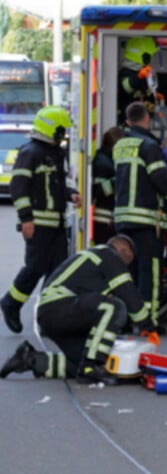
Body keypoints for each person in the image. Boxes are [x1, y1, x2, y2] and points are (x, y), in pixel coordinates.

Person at [0, 235, 157, 384]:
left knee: (79, 362)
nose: (125, 268)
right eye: (127, 263)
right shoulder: (109, 255)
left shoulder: (93, 258)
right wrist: (147, 325)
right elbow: (128, 293)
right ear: (124, 252)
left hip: (53, 313)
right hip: (59, 307)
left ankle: (30, 359)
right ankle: (92, 367)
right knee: (113, 307)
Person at [1, 106, 78, 334]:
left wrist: (70, 194)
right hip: (39, 224)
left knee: (58, 272)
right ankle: (10, 304)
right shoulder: (30, 152)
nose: (63, 135)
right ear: (51, 129)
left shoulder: (53, 154)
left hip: (57, 224)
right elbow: (18, 187)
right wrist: (26, 219)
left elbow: (55, 187)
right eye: (61, 131)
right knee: (35, 268)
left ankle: (48, 317)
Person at [113, 101, 167, 327]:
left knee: (127, 271)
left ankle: (125, 319)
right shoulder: (149, 146)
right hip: (145, 218)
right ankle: (148, 321)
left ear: (128, 121)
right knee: (149, 271)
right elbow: (160, 179)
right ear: (146, 120)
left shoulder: (120, 145)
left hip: (123, 217)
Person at [92, 127, 124, 245]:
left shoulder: (105, 159)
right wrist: (119, 181)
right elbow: (97, 190)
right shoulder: (103, 164)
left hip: (106, 218)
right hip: (103, 218)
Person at [118, 36, 159, 120]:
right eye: (151, 55)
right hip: (126, 122)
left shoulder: (145, 75)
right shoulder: (124, 73)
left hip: (141, 122)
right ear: (145, 57)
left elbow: (149, 99)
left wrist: (154, 103)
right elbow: (126, 86)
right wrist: (139, 76)